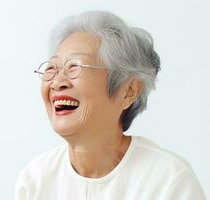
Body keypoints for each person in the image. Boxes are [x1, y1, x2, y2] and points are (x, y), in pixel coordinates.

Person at [14, 10, 206, 199]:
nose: (57, 82)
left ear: (129, 91)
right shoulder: (35, 180)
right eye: (52, 68)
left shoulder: (168, 181)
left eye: (75, 66)